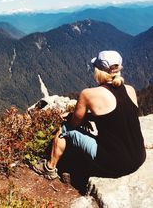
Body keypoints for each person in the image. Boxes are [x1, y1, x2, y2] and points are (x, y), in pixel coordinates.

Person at [32, 50, 146, 180]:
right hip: (139, 157)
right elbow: (118, 116)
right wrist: (89, 117)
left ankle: (49, 168)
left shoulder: (89, 94)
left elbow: (73, 124)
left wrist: (73, 117)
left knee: (64, 130)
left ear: (99, 71)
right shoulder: (130, 90)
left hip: (115, 164)